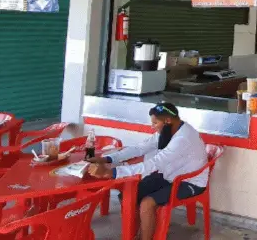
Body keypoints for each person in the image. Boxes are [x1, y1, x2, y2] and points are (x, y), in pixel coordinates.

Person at [87, 103, 208, 240]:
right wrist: (107, 159)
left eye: (155, 123)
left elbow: (153, 164)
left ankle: (146, 236)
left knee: (147, 203)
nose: (152, 126)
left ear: (167, 120)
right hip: (171, 174)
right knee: (128, 195)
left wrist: (112, 172)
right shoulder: (170, 129)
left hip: (189, 182)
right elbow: (140, 148)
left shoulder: (182, 138)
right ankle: (137, 232)